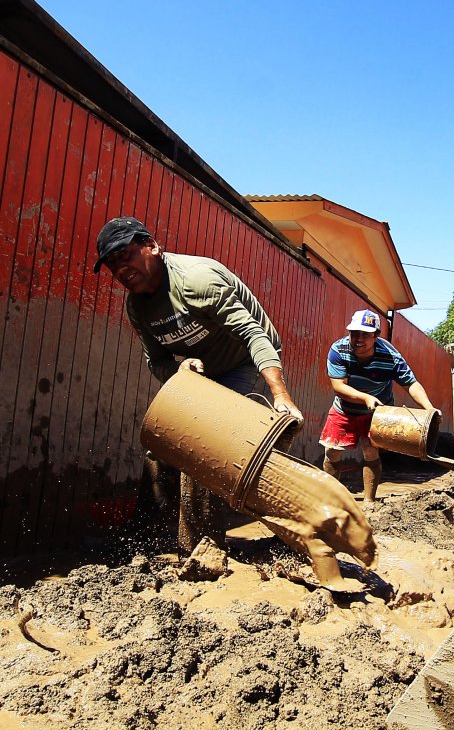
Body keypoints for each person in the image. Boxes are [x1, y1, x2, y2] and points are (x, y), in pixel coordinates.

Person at [93, 215, 303, 551]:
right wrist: (180, 370)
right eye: (113, 264)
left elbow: (254, 335)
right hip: (202, 373)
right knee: (162, 444)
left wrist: (281, 396)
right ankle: (150, 540)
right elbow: (156, 361)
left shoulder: (196, 280)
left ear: (152, 247)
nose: (121, 268)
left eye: (127, 255)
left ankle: (203, 548)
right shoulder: (137, 306)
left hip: (242, 359)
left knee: (203, 440)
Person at [320, 309, 437, 507]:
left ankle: (369, 501)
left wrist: (429, 408)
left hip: (378, 413)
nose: (358, 339)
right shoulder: (338, 350)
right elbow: (338, 386)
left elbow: (411, 384)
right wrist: (365, 397)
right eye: (354, 333)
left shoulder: (390, 356)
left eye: (365, 335)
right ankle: (329, 500)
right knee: (332, 451)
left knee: (370, 451)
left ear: (376, 336)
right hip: (344, 409)